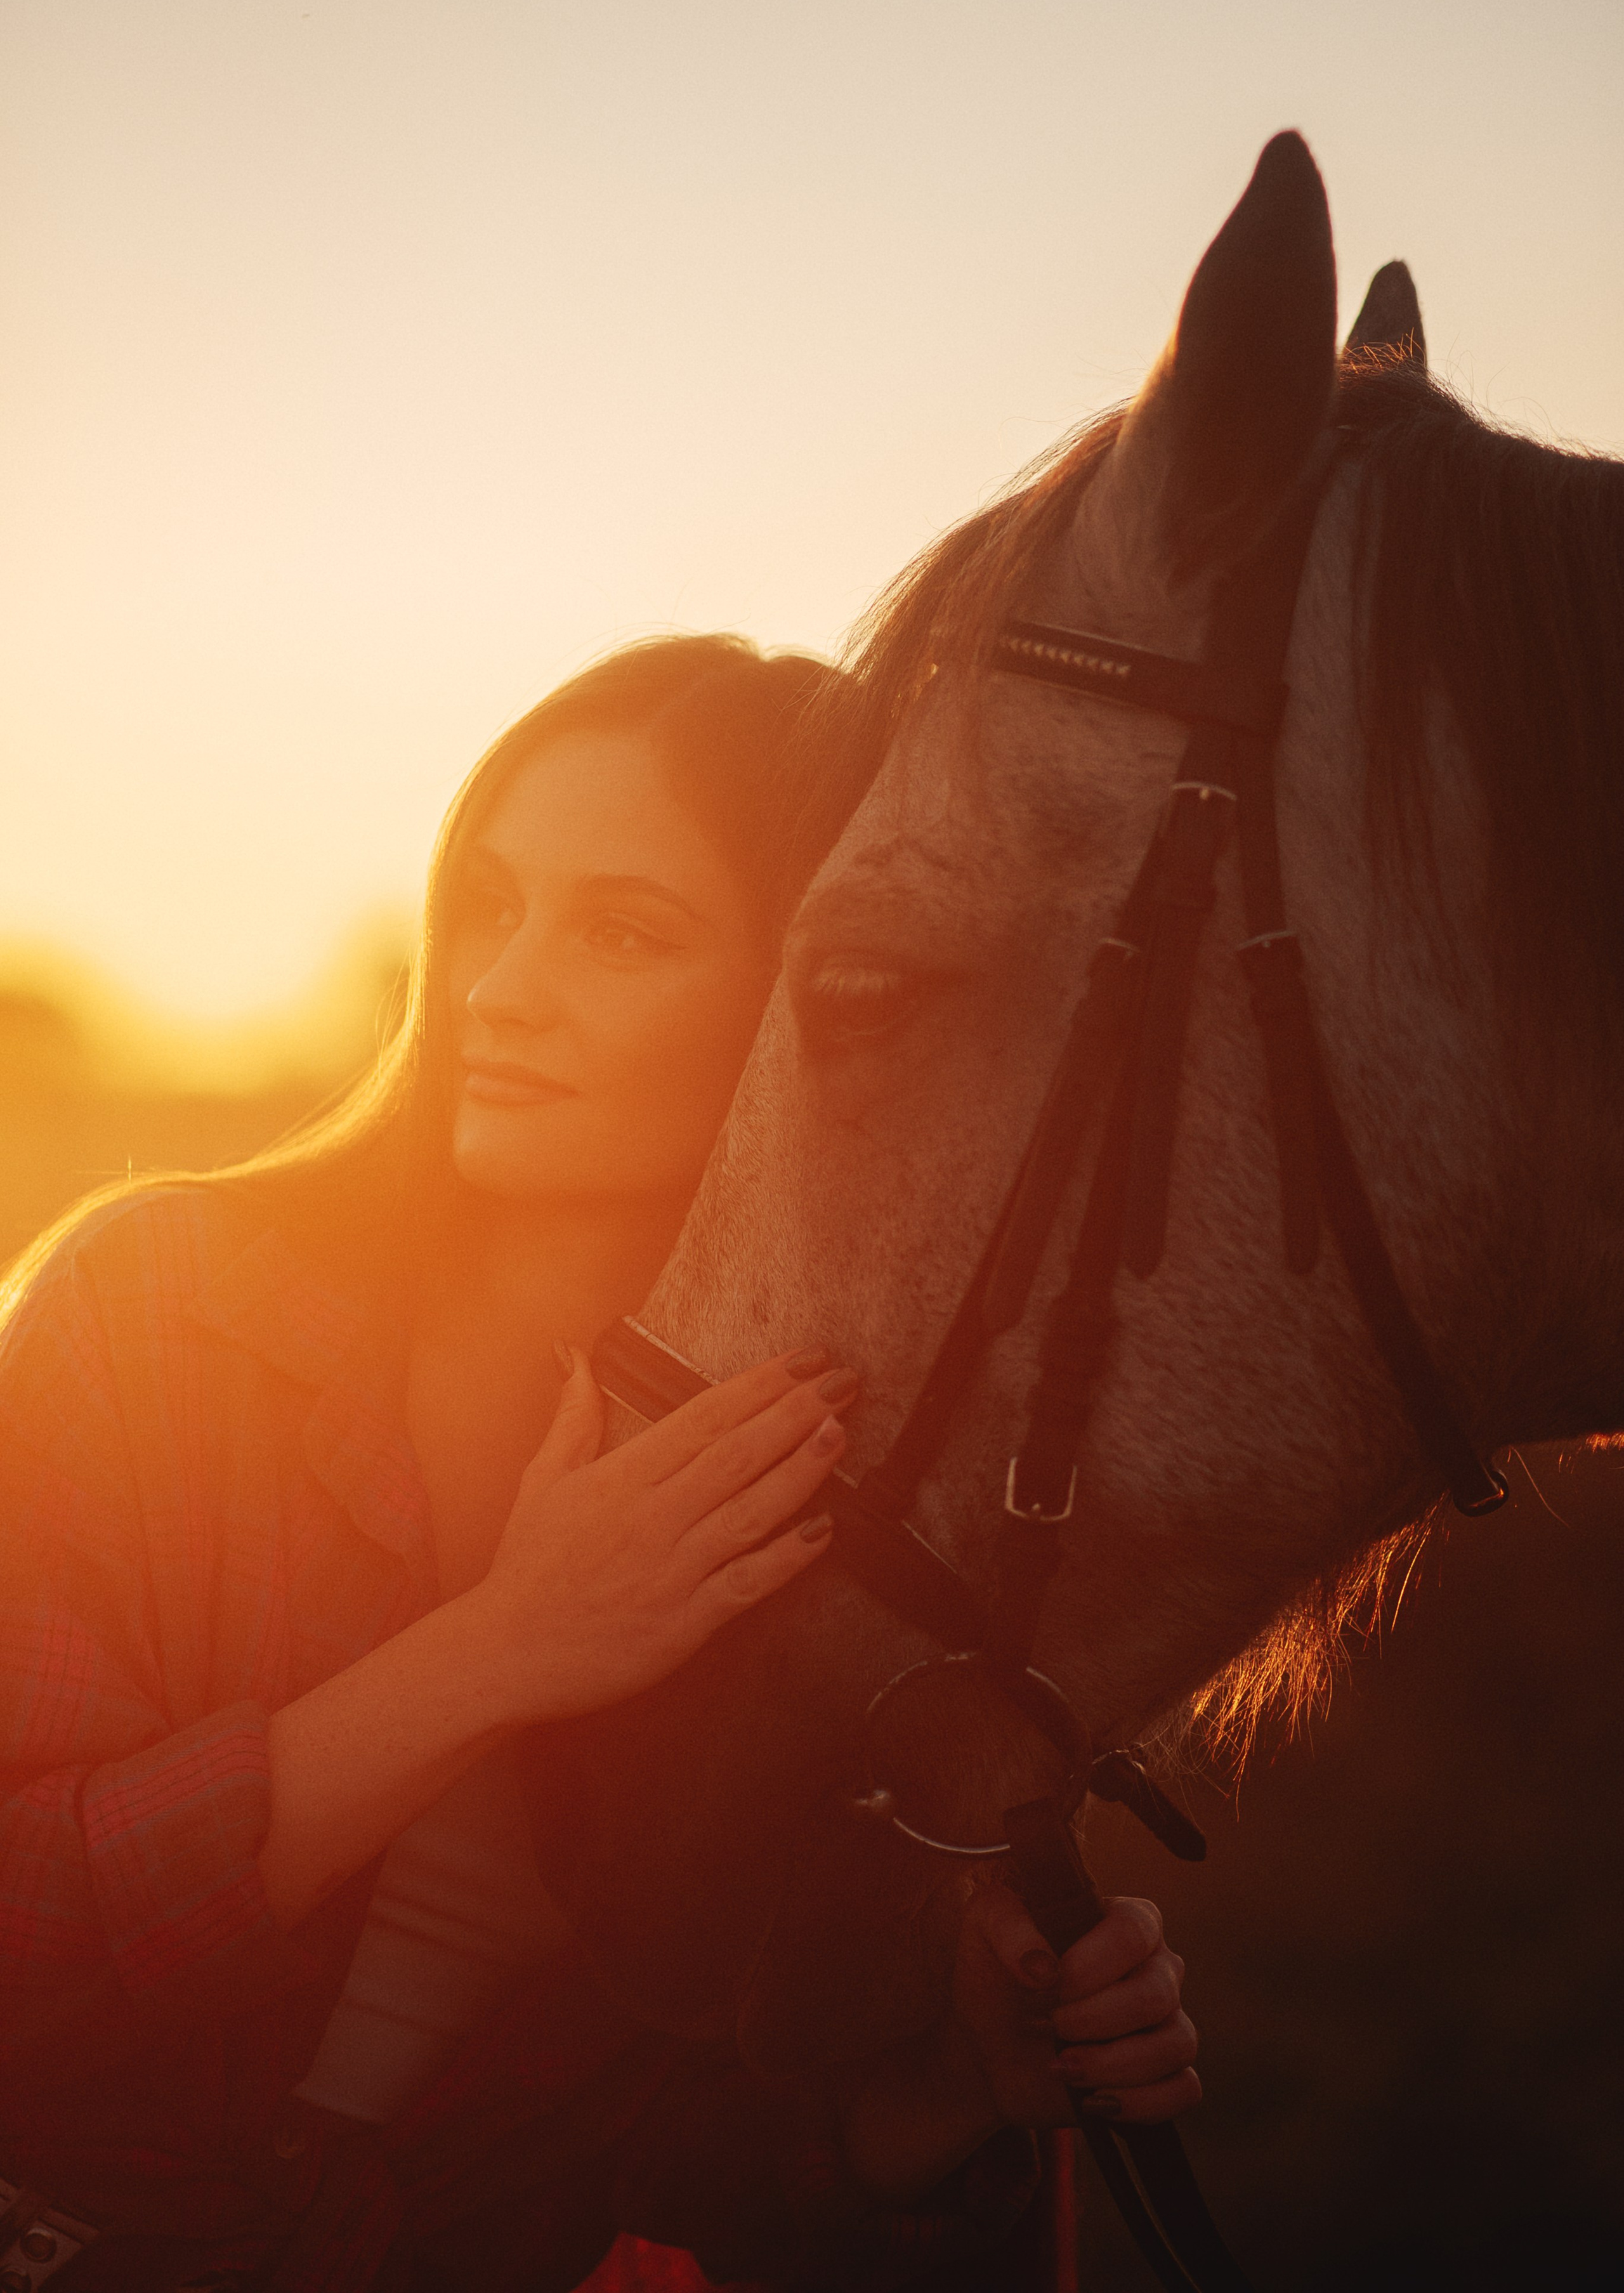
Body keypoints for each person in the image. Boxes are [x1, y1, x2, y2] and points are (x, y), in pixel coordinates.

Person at [0, 636, 1200, 2292]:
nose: (500, 985)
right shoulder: (156, 1314)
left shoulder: (853, 1498)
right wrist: (502, 1650)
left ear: (820, 993)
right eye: (489, 903)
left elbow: (689, 2160)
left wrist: (948, 2099)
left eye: (622, 931)